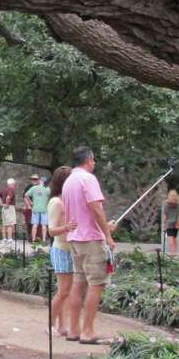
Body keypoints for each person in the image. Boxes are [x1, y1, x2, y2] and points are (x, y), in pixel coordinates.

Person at [62, 146, 117, 344]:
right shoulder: (88, 179)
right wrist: (107, 234)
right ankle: (88, 332)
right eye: (93, 160)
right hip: (91, 239)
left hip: (75, 239)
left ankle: (74, 330)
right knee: (97, 284)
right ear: (88, 160)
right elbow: (95, 208)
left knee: (78, 283)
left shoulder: (69, 181)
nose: (94, 163)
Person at [45, 166, 76, 337]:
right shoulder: (56, 202)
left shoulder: (69, 201)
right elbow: (51, 231)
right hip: (61, 250)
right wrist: (66, 227)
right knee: (63, 291)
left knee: (67, 292)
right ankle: (50, 324)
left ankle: (63, 326)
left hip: (72, 249)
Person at [25, 174, 50, 242]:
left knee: (35, 225)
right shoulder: (47, 189)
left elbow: (26, 195)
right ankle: (44, 240)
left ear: (40, 181)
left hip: (35, 209)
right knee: (44, 225)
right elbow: (51, 196)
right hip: (44, 209)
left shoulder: (34, 188)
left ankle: (33, 240)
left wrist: (30, 202)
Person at [162, 188, 179, 255]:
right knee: (174, 238)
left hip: (169, 224)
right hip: (176, 223)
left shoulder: (166, 205)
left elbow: (165, 216)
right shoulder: (178, 205)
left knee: (170, 238)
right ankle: (174, 252)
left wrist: (164, 225)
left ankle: (172, 252)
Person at [0, 178, 18, 243]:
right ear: (12, 184)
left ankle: (4, 238)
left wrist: (1, 204)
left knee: (4, 224)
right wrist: (7, 204)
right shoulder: (11, 190)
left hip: (4, 208)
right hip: (9, 207)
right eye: (14, 184)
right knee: (10, 223)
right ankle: (9, 238)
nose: (15, 186)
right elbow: (8, 197)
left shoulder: (4, 189)